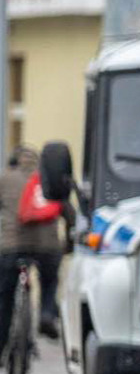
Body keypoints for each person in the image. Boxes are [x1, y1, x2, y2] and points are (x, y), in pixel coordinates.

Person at [0, 146, 68, 350]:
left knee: (5, 297)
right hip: (47, 248)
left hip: (11, 246)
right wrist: (69, 246)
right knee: (50, 280)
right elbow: (69, 214)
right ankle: (46, 313)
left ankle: (1, 343)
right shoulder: (49, 180)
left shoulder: (5, 179)